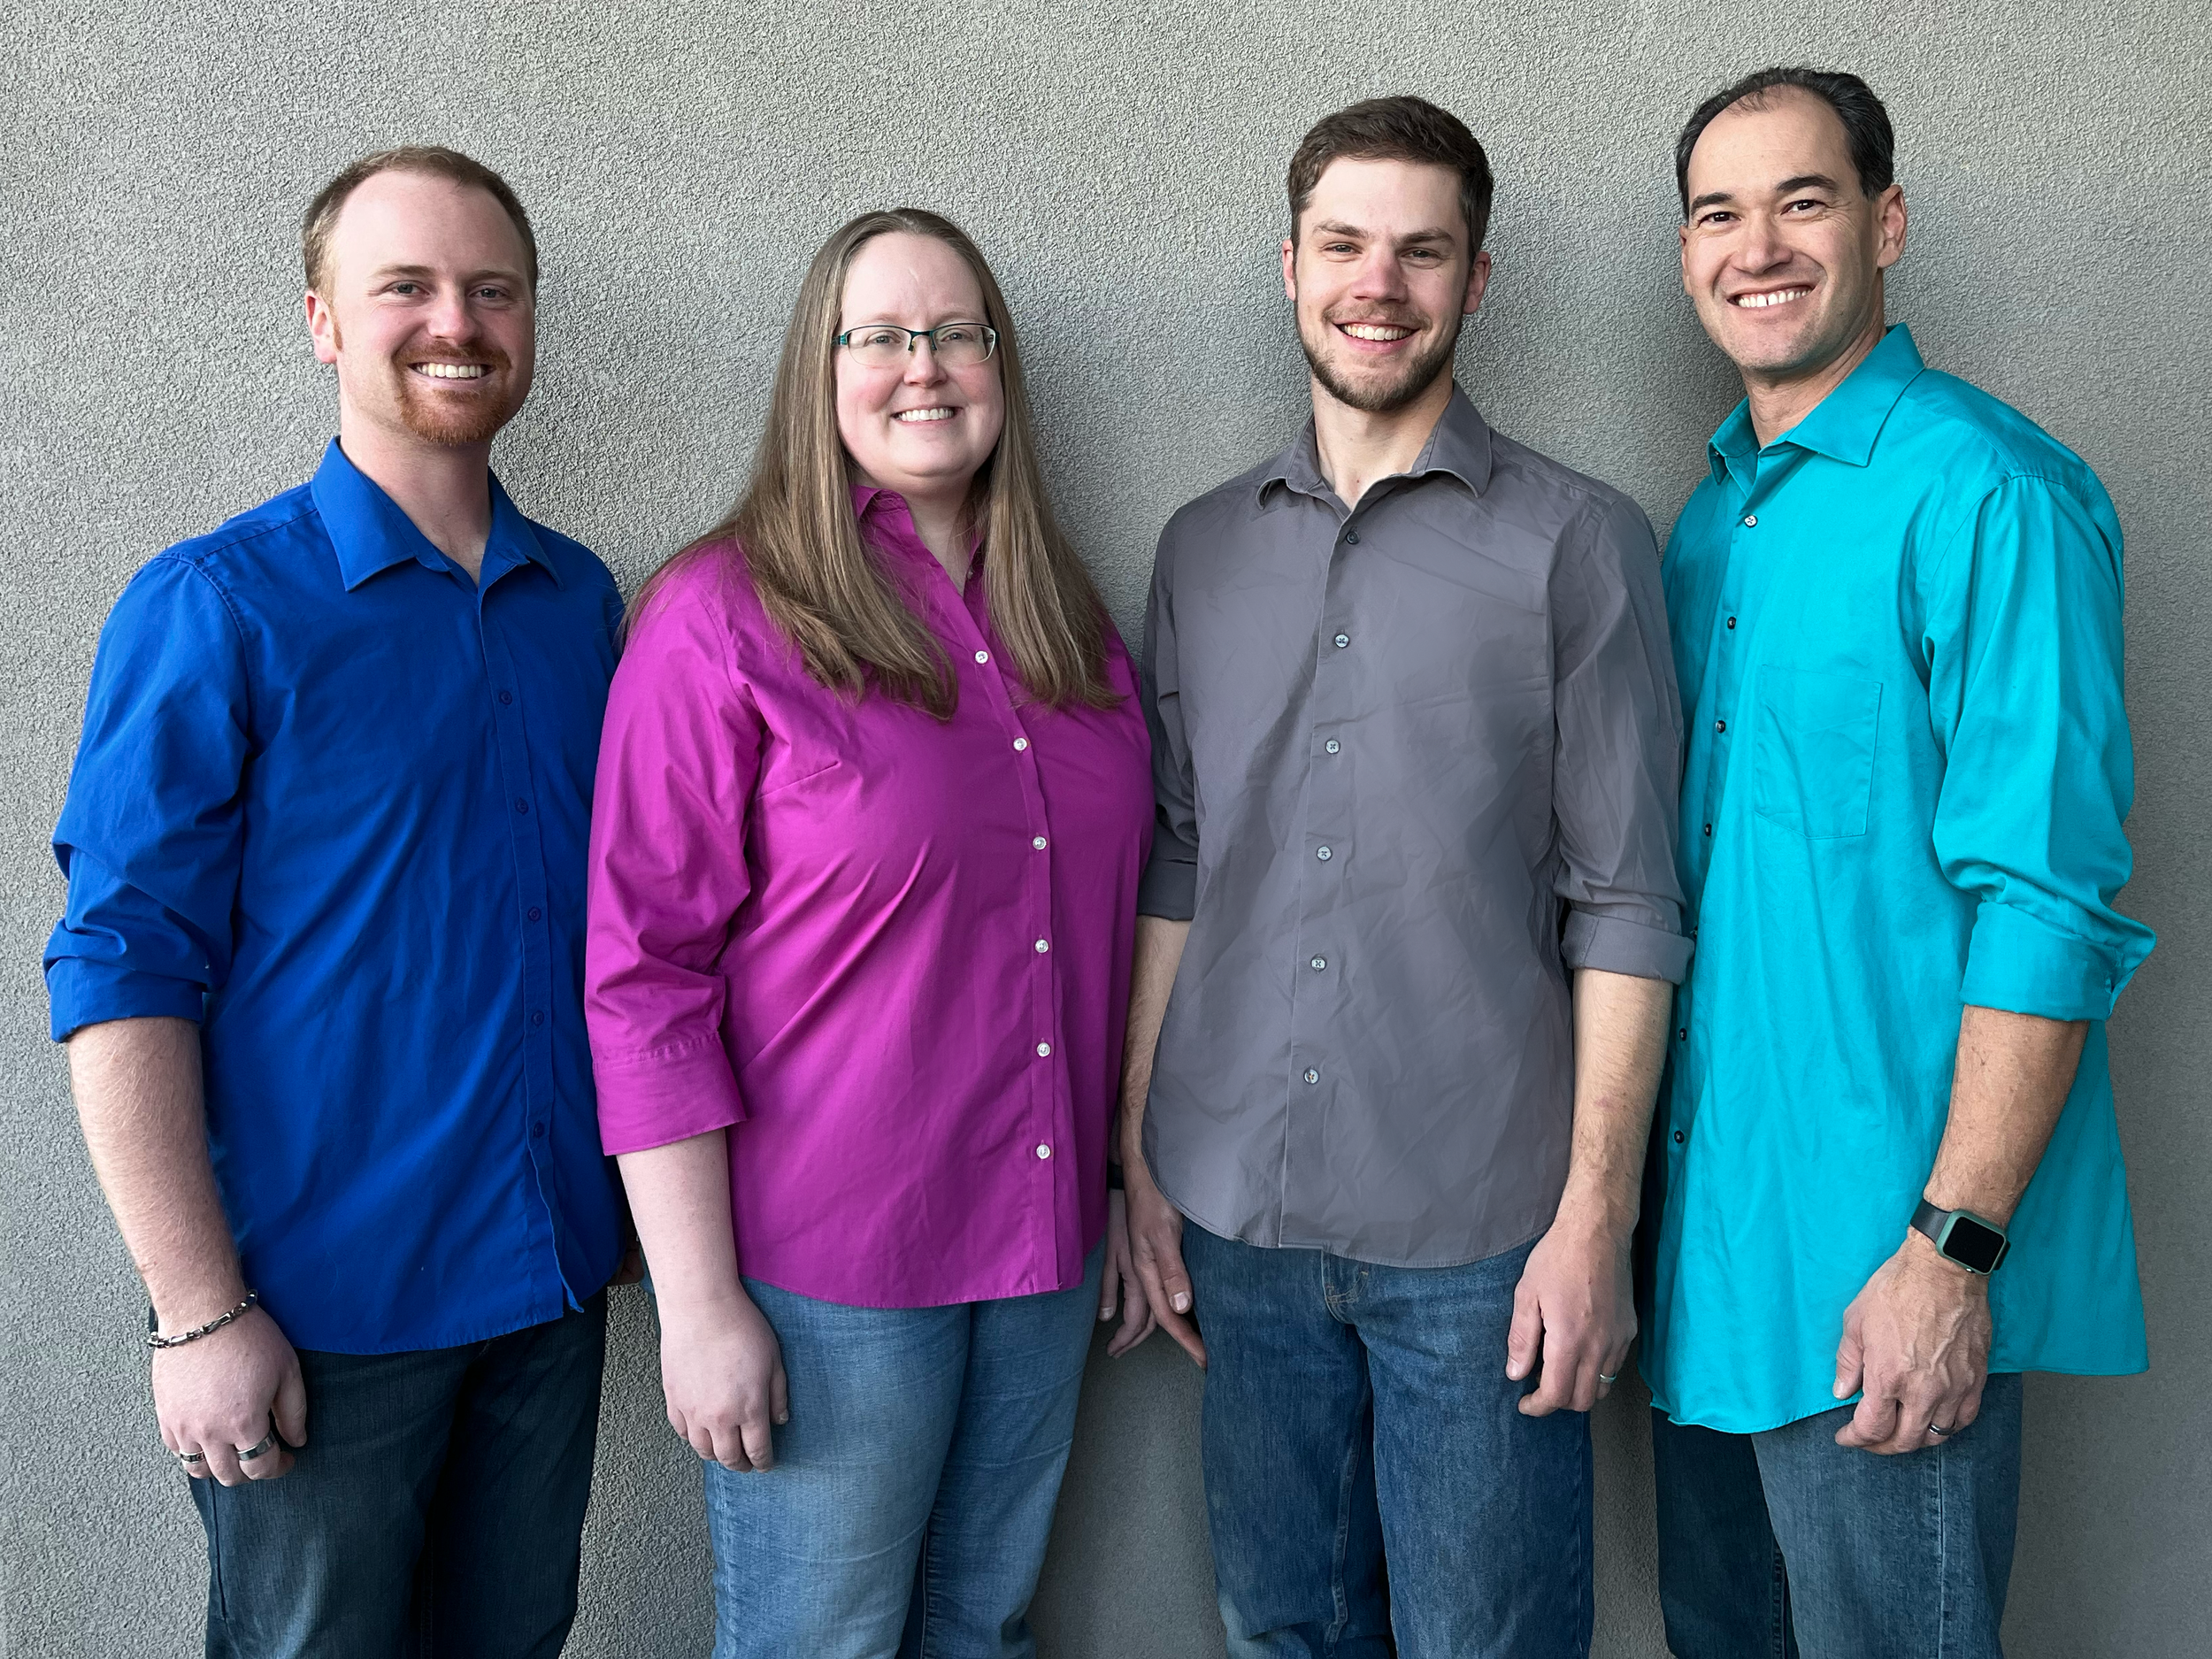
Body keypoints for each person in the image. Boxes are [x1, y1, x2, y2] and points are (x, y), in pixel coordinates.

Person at [1118, 96, 1689, 1657]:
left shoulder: (1582, 542)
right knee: (1276, 1628)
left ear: (1476, 280)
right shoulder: (1197, 548)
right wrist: (1136, 1153)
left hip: (1488, 1230)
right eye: (1347, 245)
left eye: (1422, 251)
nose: (1381, 283)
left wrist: (1595, 1221)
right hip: (1237, 1209)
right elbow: (1179, 856)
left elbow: (1629, 901)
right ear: (1290, 264)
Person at [45, 148, 627, 1658]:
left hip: (552, 1285)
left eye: (493, 289)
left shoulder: (584, 607)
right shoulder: (214, 604)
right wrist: (194, 1310)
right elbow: (118, 968)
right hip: (317, 1318)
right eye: (408, 288)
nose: (457, 321)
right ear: (323, 320)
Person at [585, 207, 1156, 1659]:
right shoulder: (721, 613)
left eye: (958, 331)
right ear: (818, 369)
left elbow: (1118, 921)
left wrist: (1128, 1176)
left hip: (1039, 1248)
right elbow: (643, 974)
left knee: (989, 1627)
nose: (925, 365)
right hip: (830, 1271)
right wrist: (699, 1305)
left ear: (1001, 366)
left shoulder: (1070, 628)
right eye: (880, 334)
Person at [1640, 66, 2155, 1659]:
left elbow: (2049, 904)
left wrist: (1949, 1254)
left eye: (1804, 200)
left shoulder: (1990, 491)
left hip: (1887, 1265)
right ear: (1686, 259)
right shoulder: (1706, 530)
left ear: (1885, 222)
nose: (1760, 246)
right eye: (1720, 212)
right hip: (1713, 1267)